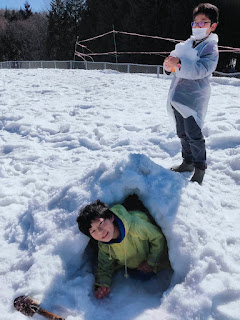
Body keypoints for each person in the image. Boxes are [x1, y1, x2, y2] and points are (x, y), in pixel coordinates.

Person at [164, 3, 219, 184]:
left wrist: (178, 64)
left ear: (213, 26)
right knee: (182, 133)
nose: (198, 26)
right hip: (178, 96)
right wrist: (168, 66)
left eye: (203, 22)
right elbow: (174, 63)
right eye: (195, 23)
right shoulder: (187, 44)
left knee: (194, 134)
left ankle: (200, 167)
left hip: (194, 98)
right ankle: (187, 162)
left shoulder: (210, 48)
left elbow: (201, 70)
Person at [76, 199, 170, 299]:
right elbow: (104, 265)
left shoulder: (136, 226)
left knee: (146, 276)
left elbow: (158, 238)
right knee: (138, 276)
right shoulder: (104, 245)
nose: (100, 232)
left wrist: (151, 262)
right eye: (93, 231)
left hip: (155, 258)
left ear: (111, 217)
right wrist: (104, 284)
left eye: (101, 224)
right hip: (133, 264)